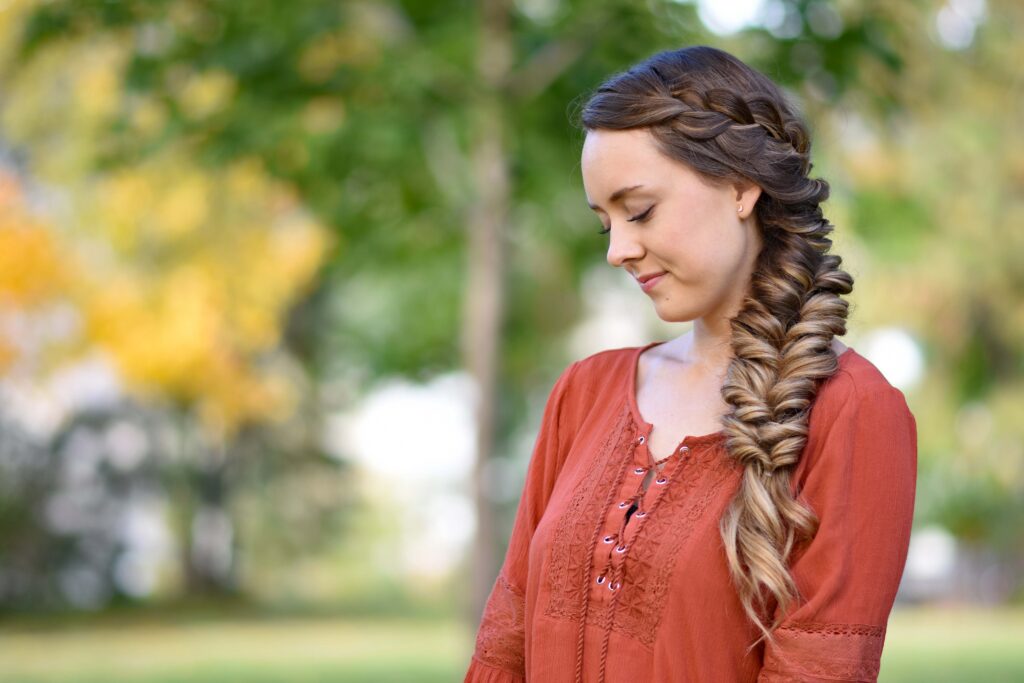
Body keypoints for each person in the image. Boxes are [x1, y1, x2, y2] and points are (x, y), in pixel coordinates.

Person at [463, 45, 917, 683]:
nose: (619, 250)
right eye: (605, 224)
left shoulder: (852, 411)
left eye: (640, 210)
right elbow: (506, 647)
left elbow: (819, 670)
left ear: (740, 186)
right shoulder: (585, 392)